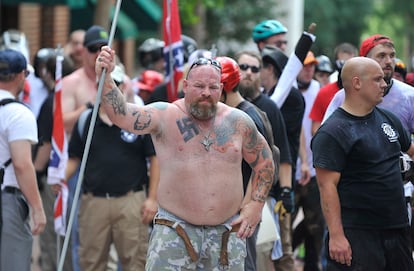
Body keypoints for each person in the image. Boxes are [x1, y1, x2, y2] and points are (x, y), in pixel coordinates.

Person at [96, 46, 275, 270]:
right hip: (174, 230)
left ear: (221, 88)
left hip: (226, 233)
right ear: (185, 86)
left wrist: (256, 205)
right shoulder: (165, 116)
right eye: (199, 86)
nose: (206, 93)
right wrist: (106, 77)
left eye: (212, 87)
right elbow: (121, 114)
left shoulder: (238, 122)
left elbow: (265, 162)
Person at [312, 56, 414, 271]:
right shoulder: (332, 131)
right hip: (358, 232)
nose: (385, 84)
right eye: (377, 80)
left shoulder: (387, 119)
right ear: (357, 83)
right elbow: (326, 187)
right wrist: (337, 236)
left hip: (397, 228)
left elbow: (411, 150)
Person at [63, 82, 159, 270]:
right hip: (94, 202)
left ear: (122, 86)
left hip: (131, 201)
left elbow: (154, 159)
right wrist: (59, 179)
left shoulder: (136, 118)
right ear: (97, 87)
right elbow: (74, 158)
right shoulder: (86, 121)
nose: (109, 88)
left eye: (115, 83)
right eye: (104, 83)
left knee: (135, 263)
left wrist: (152, 199)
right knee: (91, 262)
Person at [216, 55, 279, 271]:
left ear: (224, 86)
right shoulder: (225, 113)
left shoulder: (248, 116)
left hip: (242, 212)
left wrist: (248, 207)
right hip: (227, 210)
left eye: (213, 86)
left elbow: (262, 167)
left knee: (243, 264)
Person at [235, 50, 293, 270]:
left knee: (260, 258)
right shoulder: (221, 106)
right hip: (226, 201)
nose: (248, 73)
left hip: (261, 199)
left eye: (254, 68)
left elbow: (282, 153)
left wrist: (286, 191)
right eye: (243, 67)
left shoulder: (268, 108)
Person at [61, 24, 109, 271]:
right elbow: (63, 122)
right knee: (80, 229)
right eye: (93, 49)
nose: (98, 53)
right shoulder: (72, 83)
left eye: (103, 47)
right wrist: (91, 105)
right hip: (81, 164)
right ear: (83, 52)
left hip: (112, 167)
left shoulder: (118, 79)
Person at [0, 48, 46, 270]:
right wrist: (37, 207)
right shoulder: (18, 113)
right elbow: (21, 164)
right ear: (20, 75)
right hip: (6, 200)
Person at [34, 53, 75, 271]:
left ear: (47, 73)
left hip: (54, 177)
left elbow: (47, 142)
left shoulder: (54, 102)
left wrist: (36, 173)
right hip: (72, 175)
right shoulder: (69, 99)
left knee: (52, 235)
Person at [293, 51, 325, 271]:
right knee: (284, 224)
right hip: (289, 169)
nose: (309, 69)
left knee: (316, 226)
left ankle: (312, 266)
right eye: (305, 65)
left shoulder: (320, 92)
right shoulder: (287, 91)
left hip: (315, 170)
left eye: (312, 66)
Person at [309, 42, 358, 135]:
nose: (346, 66)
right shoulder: (324, 93)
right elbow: (315, 128)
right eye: (342, 63)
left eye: (351, 62)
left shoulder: (363, 93)